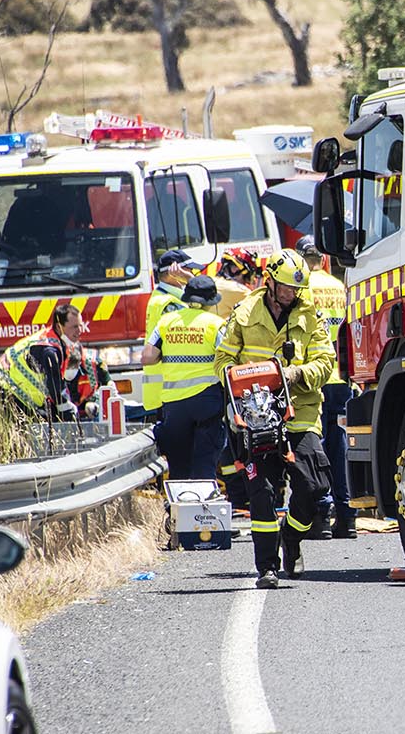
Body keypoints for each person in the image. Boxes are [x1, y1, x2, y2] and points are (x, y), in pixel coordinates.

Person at [215, 249, 335, 589]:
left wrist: (297, 373)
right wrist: (238, 377)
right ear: (270, 283)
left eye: (296, 290)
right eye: (285, 288)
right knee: (263, 492)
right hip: (256, 415)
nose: (291, 295)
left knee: (314, 488)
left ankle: (292, 539)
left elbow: (326, 361)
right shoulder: (244, 313)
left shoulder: (311, 315)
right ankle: (267, 567)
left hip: (300, 411)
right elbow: (222, 358)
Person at [297, 235, 355, 539]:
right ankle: (347, 517)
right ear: (323, 258)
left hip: (312, 379)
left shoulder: (301, 288)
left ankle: (320, 515)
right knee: (340, 447)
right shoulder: (338, 287)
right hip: (341, 377)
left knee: (313, 449)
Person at [144, 275, 229, 482]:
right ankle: (202, 509)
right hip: (207, 402)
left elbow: (147, 357)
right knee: (204, 462)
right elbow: (228, 361)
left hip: (174, 405)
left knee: (179, 466)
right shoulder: (216, 325)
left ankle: (178, 510)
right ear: (211, 302)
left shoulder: (166, 322)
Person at [0, 303, 85, 421]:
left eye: (81, 326)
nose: (79, 331)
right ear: (60, 326)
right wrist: (67, 408)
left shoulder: (55, 339)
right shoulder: (49, 350)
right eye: (74, 327)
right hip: (4, 389)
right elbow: (54, 387)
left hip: (6, 386)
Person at [143, 250, 201, 418]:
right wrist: (191, 282)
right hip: (169, 395)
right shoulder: (168, 304)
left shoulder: (167, 298)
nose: (191, 274)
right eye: (188, 271)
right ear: (173, 273)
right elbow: (201, 316)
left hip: (169, 393)